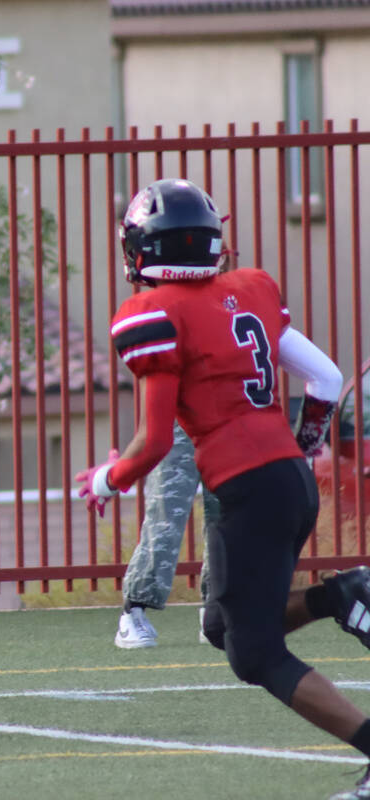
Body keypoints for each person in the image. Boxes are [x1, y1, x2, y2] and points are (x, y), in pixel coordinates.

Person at [76, 178, 370, 800]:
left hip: (246, 488)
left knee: (254, 656)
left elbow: (153, 443)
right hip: (287, 478)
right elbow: (325, 378)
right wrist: (305, 447)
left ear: (141, 251)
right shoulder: (251, 290)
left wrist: (107, 477)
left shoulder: (153, 313)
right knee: (222, 625)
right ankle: (341, 595)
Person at [114, 421, 217, 649]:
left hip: (224, 421)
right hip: (178, 421)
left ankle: (217, 613)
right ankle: (133, 611)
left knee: (227, 517)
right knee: (165, 517)